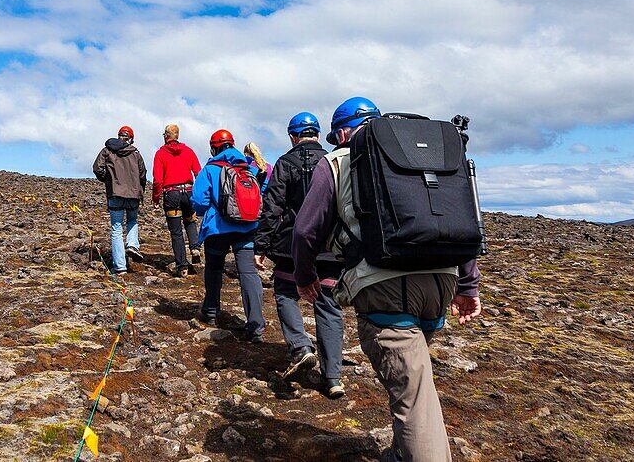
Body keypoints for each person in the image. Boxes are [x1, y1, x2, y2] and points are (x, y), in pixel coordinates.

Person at [293, 97, 482, 462]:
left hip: (382, 284)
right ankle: (400, 452)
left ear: (344, 131)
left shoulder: (336, 162)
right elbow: (459, 218)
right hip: (441, 280)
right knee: (413, 383)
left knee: (412, 396)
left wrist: (305, 277)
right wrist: (467, 284)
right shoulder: (425, 156)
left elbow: (304, 231)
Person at [254, 112, 344, 398]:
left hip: (291, 245)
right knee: (328, 304)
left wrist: (261, 246)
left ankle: (301, 347)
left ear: (292, 136)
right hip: (330, 247)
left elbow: (273, 207)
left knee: (284, 292)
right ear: (318, 134)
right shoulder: (333, 163)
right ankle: (332, 378)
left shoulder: (284, 163)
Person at [191, 129, 266, 342]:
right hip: (247, 228)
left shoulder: (210, 169)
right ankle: (256, 326)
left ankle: (211, 311)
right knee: (249, 274)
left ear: (214, 147)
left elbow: (199, 202)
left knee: (214, 269)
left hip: (218, 230)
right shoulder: (247, 167)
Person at [92, 125, 147, 275]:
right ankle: (132, 245)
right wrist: (140, 190)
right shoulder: (135, 153)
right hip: (133, 194)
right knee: (132, 221)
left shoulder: (107, 150)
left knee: (116, 228)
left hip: (115, 193)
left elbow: (97, 168)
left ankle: (120, 267)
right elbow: (143, 174)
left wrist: (108, 180)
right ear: (131, 138)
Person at [152, 123, 203, 277]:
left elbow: (157, 180)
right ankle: (195, 247)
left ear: (166, 136)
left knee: (176, 232)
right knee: (190, 220)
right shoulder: (188, 151)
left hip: (171, 194)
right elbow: (198, 172)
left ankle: (182, 267)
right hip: (188, 192)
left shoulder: (160, 154)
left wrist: (155, 198)